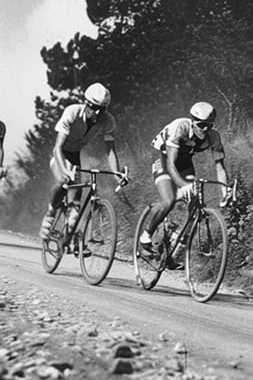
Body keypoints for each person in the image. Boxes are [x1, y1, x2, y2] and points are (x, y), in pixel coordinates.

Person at [138, 101, 228, 262]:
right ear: (192, 121)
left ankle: (175, 247)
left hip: (185, 163)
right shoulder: (180, 127)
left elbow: (220, 167)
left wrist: (225, 192)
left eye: (209, 125)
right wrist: (183, 185)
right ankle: (145, 238)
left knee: (196, 203)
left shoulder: (214, 137)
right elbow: (171, 165)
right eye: (201, 125)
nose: (205, 129)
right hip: (164, 159)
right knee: (169, 200)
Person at [39, 83, 124, 239]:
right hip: (61, 155)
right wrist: (64, 170)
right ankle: (51, 213)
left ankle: (73, 238)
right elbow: (57, 148)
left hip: (75, 156)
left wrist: (116, 173)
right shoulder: (72, 112)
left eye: (102, 109)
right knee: (64, 182)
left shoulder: (107, 121)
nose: (97, 112)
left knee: (75, 208)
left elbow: (110, 151)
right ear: (86, 103)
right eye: (93, 107)